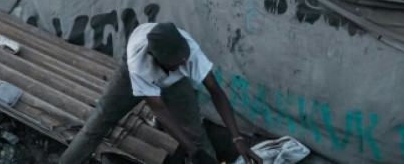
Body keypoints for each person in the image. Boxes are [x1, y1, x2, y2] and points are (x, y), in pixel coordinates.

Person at [59, 22, 260, 164]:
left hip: (175, 82)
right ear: (157, 58)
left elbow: (215, 91)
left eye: (184, 59)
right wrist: (192, 151)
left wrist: (237, 138)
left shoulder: (187, 50)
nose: (184, 63)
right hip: (129, 77)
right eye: (178, 61)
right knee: (100, 121)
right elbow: (160, 111)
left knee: (196, 134)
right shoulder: (139, 65)